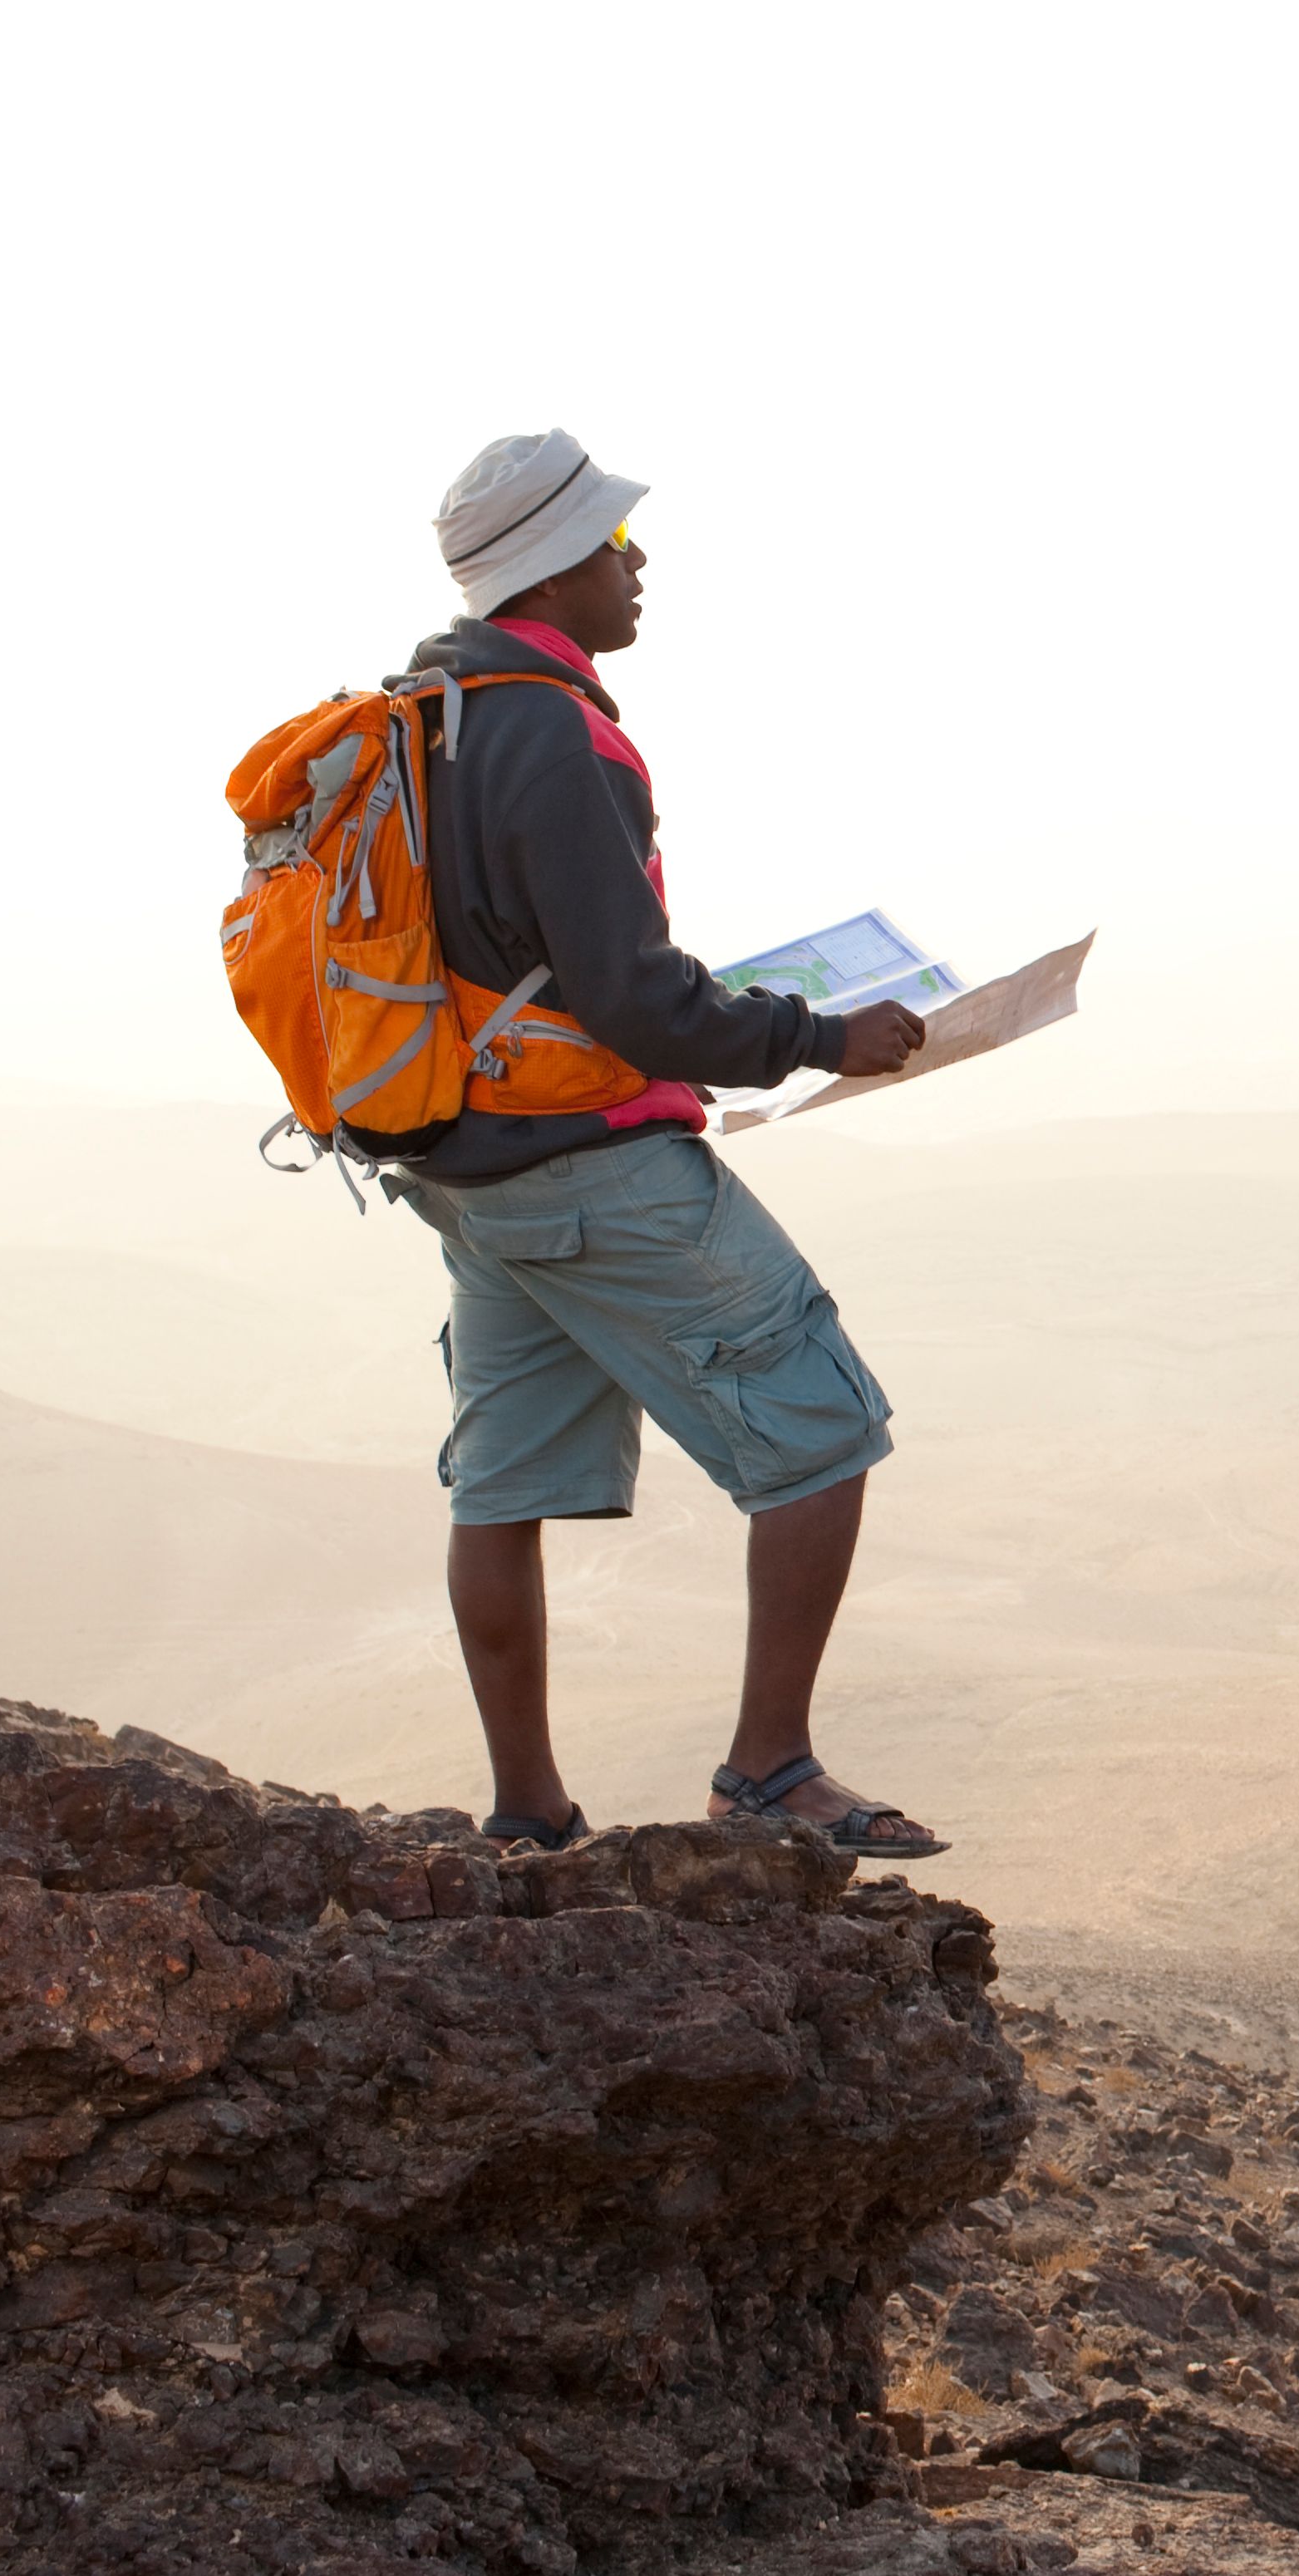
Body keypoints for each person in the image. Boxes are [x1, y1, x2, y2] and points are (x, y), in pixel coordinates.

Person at [388, 428, 947, 1860]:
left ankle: (527, 1812)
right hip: (596, 1167)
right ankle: (769, 1772)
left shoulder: (420, 718)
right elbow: (631, 999)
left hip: (471, 1175)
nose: (638, 568)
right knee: (825, 1432)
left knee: (501, 1484)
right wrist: (827, 1038)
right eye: (617, 546)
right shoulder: (558, 735)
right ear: (553, 568)